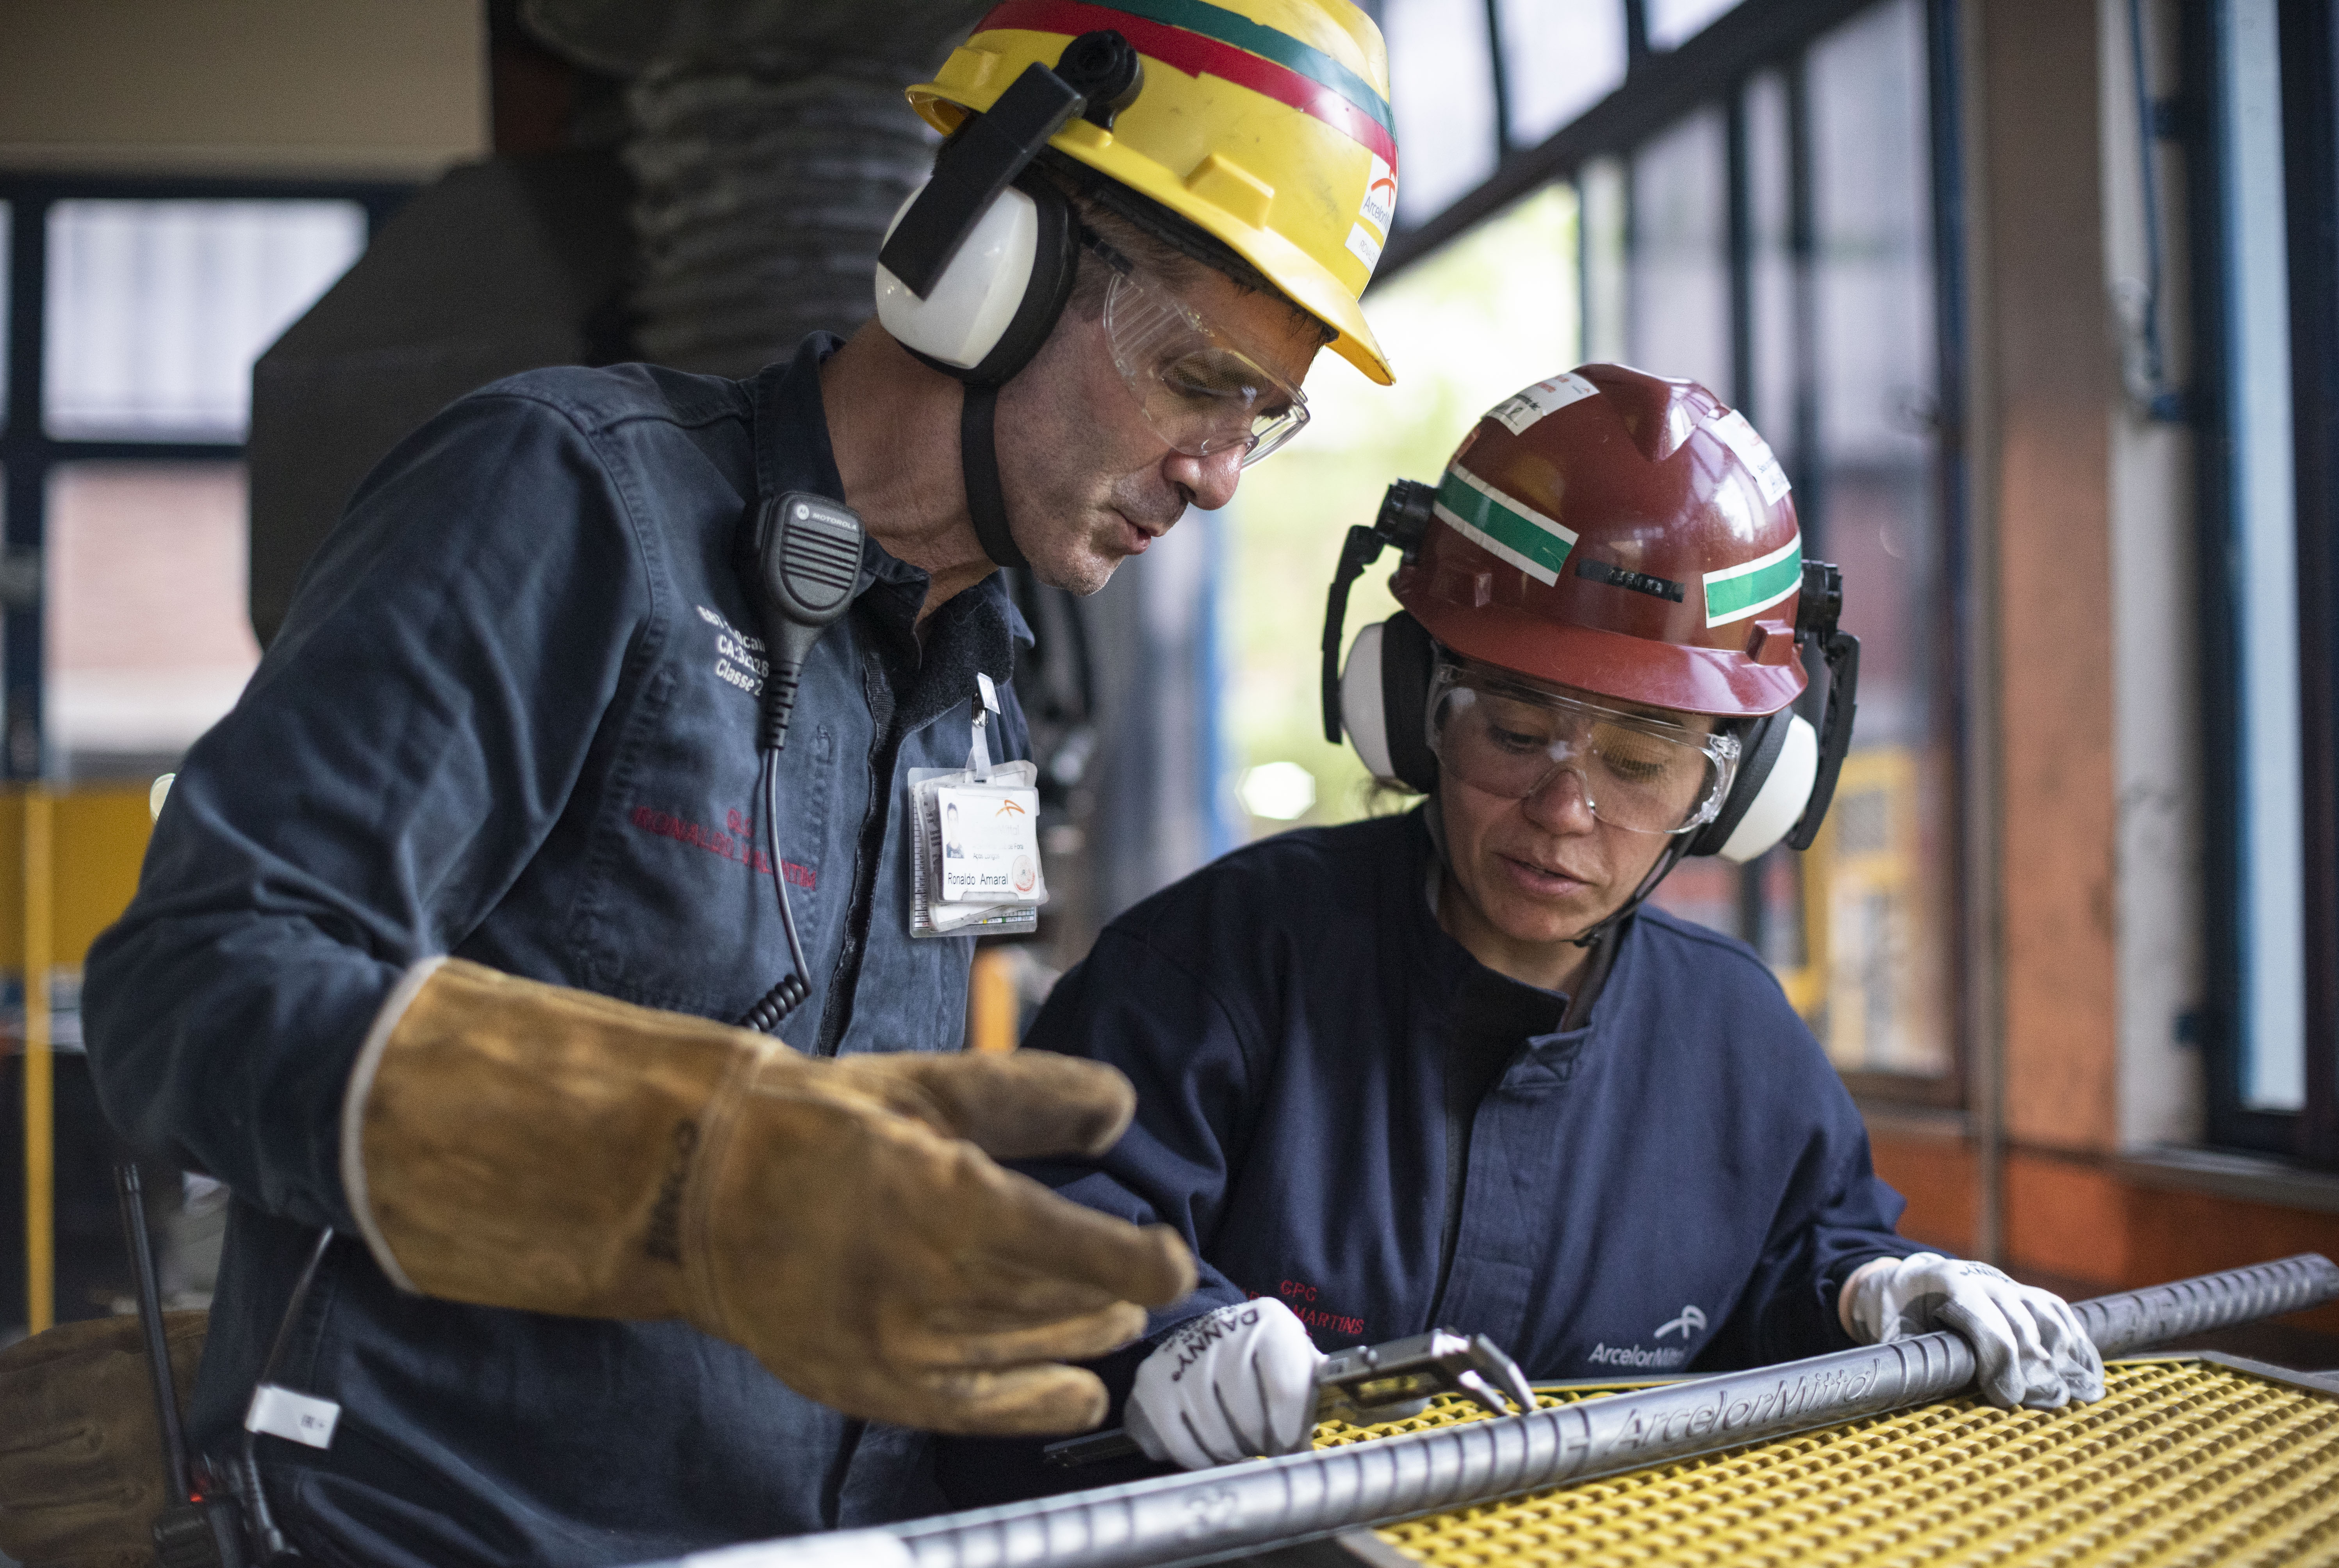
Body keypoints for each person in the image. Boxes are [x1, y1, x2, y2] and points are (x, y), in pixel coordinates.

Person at [63, 5, 1403, 1566]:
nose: (1218, 470)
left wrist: (1149, 1322)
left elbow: (893, 1155)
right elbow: (192, 987)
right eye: (1194, 376)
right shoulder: (564, 500)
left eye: (1262, 412)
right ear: (993, 258)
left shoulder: (980, 685)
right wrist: (687, 1166)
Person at [937, 365, 2104, 1499]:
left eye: (1642, 764)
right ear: (1410, 710)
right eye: (1512, 731)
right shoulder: (1218, 967)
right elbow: (1042, 1223)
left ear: (1734, 797)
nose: (1563, 813)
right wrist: (1170, 1335)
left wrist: (1879, 1292)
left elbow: (1801, 1256)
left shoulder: (1739, 1045)